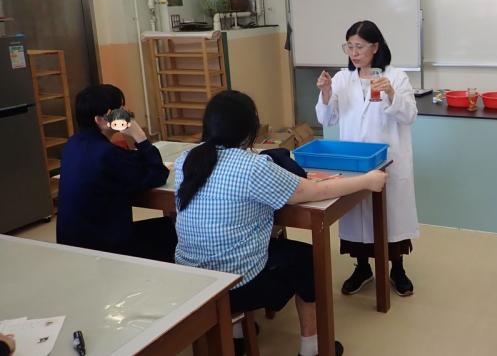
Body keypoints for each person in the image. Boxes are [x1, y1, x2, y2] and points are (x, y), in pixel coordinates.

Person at [174, 90, 386, 356]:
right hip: (237, 287)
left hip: (192, 278)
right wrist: (367, 181)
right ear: (250, 130)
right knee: (308, 259)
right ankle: (312, 348)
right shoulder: (253, 166)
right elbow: (315, 191)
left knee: (230, 244)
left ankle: (237, 334)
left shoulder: (186, 160)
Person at [316, 20, 419, 296]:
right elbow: (327, 118)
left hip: (388, 160)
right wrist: (325, 92)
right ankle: (362, 268)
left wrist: (391, 93)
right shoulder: (342, 79)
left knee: (390, 219)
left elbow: (409, 115)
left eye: (359, 46)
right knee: (357, 217)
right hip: (355, 162)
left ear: (375, 47)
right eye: (349, 46)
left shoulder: (396, 76)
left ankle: (397, 268)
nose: (354, 52)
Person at [57, 84, 177, 263]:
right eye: (119, 110)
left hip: (75, 244)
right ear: (100, 119)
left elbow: (127, 162)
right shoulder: (107, 154)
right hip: (104, 250)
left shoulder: (73, 144)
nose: (126, 113)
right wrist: (139, 136)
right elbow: (158, 174)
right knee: (170, 230)